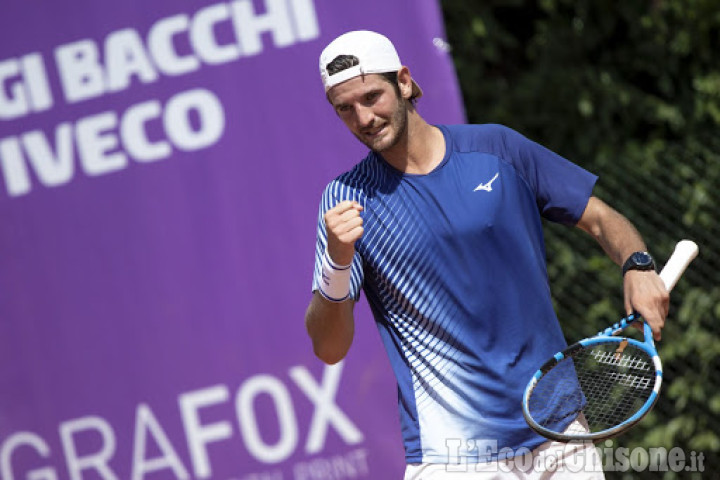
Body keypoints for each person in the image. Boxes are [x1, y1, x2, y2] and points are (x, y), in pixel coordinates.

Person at [305, 30, 669, 479]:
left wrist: (637, 264)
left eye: (371, 97)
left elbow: (599, 218)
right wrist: (338, 262)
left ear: (403, 81)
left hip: (558, 435)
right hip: (450, 455)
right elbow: (329, 347)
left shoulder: (497, 149)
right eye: (345, 108)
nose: (363, 118)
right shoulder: (345, 200)